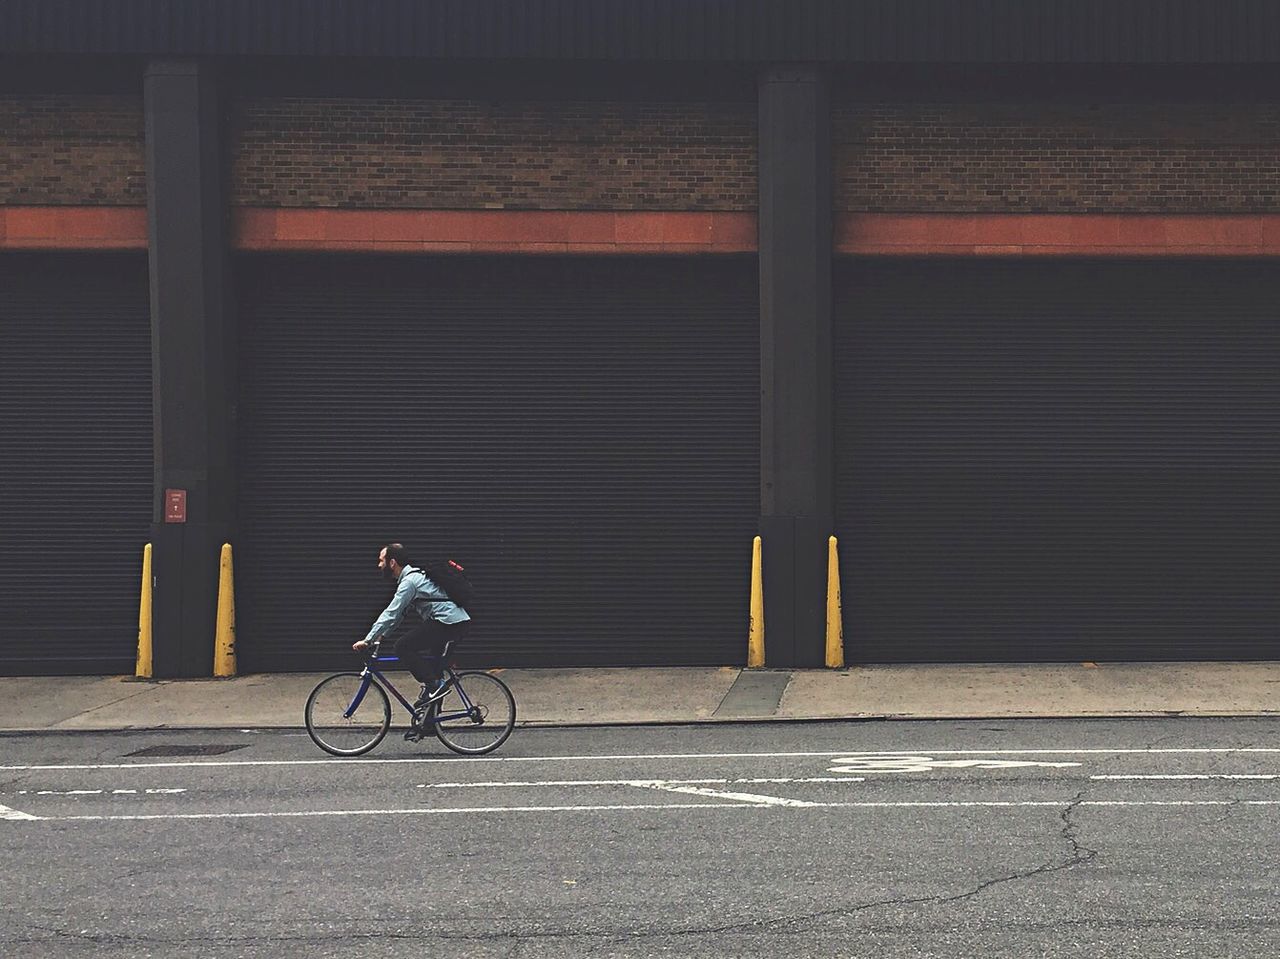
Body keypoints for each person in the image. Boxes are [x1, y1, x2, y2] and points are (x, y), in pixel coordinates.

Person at [353, 542, 471, 708]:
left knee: (402, 646)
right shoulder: (413, 579)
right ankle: (428, 725)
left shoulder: (409, 582)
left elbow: (391, 612)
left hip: (449, 623)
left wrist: (368, 640)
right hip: (451, 623)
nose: (379, 565)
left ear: (392, 563)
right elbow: (399, 615)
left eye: (381, 560)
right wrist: (383, 634)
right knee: (434, 670)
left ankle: (434, 686)